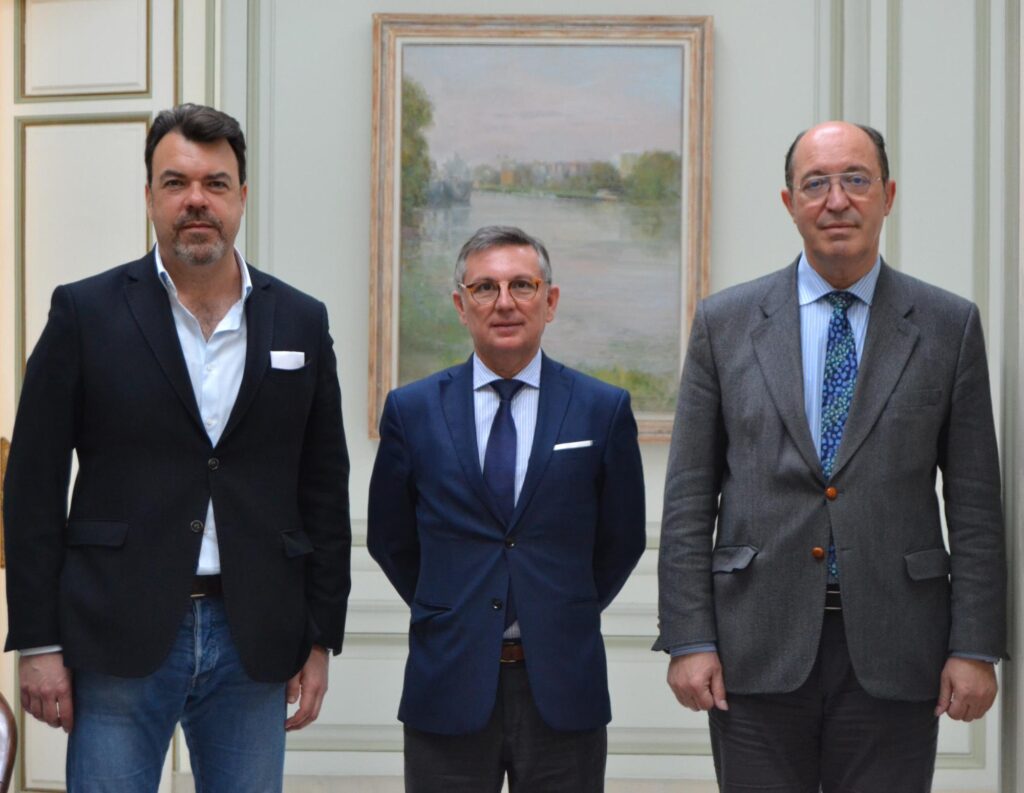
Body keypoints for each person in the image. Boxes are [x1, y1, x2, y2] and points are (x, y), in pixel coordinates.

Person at [3, 103, 351, 792]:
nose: (197, 200)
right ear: (149, 197)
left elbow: (324, 488)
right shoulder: (84, 313)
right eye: (176, 182)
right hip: (116, 629)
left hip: (254, 634)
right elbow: (33, 486)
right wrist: (38, 641)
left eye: (215, 183)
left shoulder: (300, 320)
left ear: (241, 196)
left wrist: (320, 637)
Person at [654, 121, 1006, 791]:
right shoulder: (725, 323)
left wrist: (974, 646)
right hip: (755, 643)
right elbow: (689, 497)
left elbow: (975, 504)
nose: (836, 200)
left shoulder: (947, 325)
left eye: (855, 180)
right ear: (789, 202)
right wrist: (689, 637)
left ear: (887, 195)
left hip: (899, 646)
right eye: (815, 184)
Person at [368, 225, 646, 792]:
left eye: (522, 285)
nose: (504, 303)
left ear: (551, 301)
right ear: (460, 305)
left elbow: (622, 539)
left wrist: (559, 606)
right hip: (448, 680)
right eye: (484, 288)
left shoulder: (602, 409)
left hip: (563, 683)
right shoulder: (412, 410)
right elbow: (389, 539)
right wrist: (453, 604)